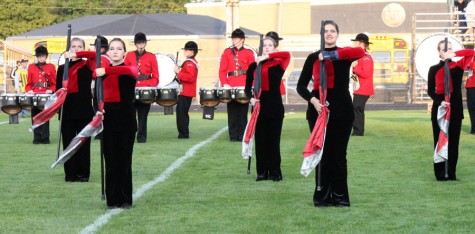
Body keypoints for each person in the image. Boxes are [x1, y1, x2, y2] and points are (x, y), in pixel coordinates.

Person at [297, 20, 365, 207]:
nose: (328, 34)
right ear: (321, 34)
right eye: (325, 31)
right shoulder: (312, 57)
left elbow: (361, 51)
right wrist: (314, 101)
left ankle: (340, 197)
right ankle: (322, 197)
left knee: (338, 155)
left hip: (342, 111)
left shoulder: (343, 54)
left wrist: (331, 56)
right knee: (323, 155)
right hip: (318, 112)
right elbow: (301, 86)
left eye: (332, 31)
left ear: (337, 33)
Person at [95, 38, 139, 209]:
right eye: (112, 48)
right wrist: (98, 110)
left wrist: (104, 71)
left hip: (126, 122)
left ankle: (125, 199)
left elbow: (132, 71)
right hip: (109, 122)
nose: (115, 51)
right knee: (111, 162)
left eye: (119, 49)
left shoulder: (129, 70)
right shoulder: (102, 73)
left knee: (124, 161)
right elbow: (96, 97)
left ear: (124, 52)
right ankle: (112, 200)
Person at [245, 31, 290, 182]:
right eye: (265, 45)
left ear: (275, 47)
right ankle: (262, 172)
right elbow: (246, 89)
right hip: (259, 107)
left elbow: (287, 54)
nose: (267, 47)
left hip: (275, 107)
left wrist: (268, 57)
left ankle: (275, 172)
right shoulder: (254, 65)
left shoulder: (279, 62)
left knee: (273, 141)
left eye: (270, 45)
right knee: (261, 141)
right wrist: (251, 99)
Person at [427, 40, 474, 181]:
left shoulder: (458, 65)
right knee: (439, 141)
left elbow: (471, 53)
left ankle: (452, 173)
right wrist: (440, 101)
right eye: (444, 49)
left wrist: (454, 53)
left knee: (453, 142)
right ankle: (440, 174)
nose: (448, 51)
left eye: (450, 48)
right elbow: (430, 90)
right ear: (439, 52)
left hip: (455, 110)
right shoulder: (433, 69)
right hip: (440, 109)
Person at [56, 37, 94, 182]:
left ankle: (83, 174)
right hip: (67, 110)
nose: (76, 49)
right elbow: (57, 90)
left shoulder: (87, 65)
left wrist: (78, 55)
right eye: (73, 47)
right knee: (68, 143)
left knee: (83, 144)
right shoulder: (61, 68)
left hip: (84, 110)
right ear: (68, 49)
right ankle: (70, 174)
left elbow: (95, 55)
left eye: (79, 47)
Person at [219, 28, 256, 142]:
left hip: (244, 85)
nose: (234, 40)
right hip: (230, 85)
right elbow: (222, 70)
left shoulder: (249, 53)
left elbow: (253, 71)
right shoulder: (227, 52)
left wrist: (251, 85)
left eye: (236, 38)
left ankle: (242, 135)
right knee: (232, 111)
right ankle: (233, 136)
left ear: (242, 40)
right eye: (233, 38)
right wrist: (224, 83)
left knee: (243, 111)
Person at [124, 32, 159, 143]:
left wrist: (147, 85)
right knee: (130, 116)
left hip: (145, 91)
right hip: (131, 89)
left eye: (142, 42)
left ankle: (141, 137)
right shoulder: (129, 55)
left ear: (145, 43)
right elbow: (125, 72)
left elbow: (156, 77)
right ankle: (130, 136)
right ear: (135, 44)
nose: (140, 45)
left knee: (143, 117)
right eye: (138, 42)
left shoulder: (151, 57)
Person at [25, 46, 56, 144]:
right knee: (35, 116)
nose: (41, 58)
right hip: (34, 94)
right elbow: (29, 83)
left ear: (46, 56)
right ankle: (37, 138)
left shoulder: (51, 67)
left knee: (45, 116)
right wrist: (29, 90)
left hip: (46, 94)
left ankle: (45, 138)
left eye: (42, 56)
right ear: (37, 57)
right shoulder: (31, 67)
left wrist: (51, 90)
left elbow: (54, 83)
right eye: (39, 56)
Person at [350, 33, 374, 136]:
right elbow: (354, 75)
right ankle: (357, 130)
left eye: (356, 42)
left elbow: (366, 73)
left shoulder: (366, 58)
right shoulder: (359, 57)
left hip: (363, 89)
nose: (354, 44)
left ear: (362, 43)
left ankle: (358, 131)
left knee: (357, 108)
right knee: (357, 108)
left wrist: (355, 67)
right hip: (359, 88)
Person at [174, 41, 199, 139]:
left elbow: (190, 77)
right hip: (185, 91)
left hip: (186, 92)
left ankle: (183, 134)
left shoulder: (190, 63)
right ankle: (183, 133)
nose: (185, 51)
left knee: (182, 113)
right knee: (182, 113)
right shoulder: (189, 62)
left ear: (192, 52)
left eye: (187, 49)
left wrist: (178, 72)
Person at [466, 61, 475, 134]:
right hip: (470, 86)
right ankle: (473, 128)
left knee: (472, 108)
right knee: (471, 108)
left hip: (473, 86)